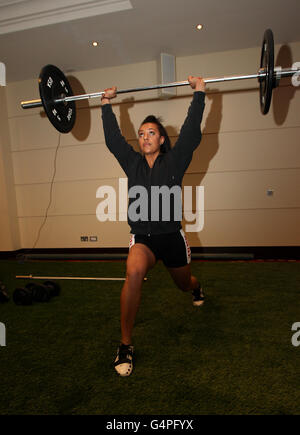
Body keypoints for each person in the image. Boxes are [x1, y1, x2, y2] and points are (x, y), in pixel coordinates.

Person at [101, 76, 206, 376]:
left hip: (172, 239)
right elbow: (113, 140)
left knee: (184, 284)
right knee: (133, 271)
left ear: (161, 140)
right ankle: (125, 345)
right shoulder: (132, 163)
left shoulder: (174, 162)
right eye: (142, 133)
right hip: (143, 240)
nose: (145, 137)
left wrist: (199, 93)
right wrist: (106, 104)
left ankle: (197, 289)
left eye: (152, 133)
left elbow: (190, 133)